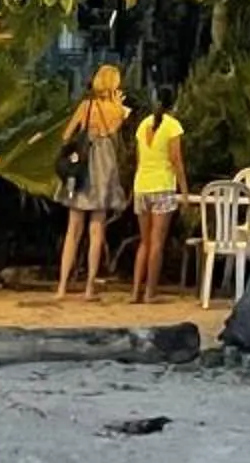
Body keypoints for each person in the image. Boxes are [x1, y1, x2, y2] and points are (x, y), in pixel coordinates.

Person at [55, 64, 129, 300]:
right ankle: (88, 288)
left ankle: (62, 287)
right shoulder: (117, 110)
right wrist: (117, 109)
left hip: (82, 168)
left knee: (72, 230)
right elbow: (115, 132)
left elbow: (66, 135)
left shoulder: (86, 106)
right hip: (104, 168)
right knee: (97, 230)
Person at [129, 87, 188, 305]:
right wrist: (184, 188)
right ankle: (150, 292)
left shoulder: (143, 124)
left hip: (142, 184)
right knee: (156, 243)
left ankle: (135, 291)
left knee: (144, 242)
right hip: (162, 185)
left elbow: (138, 159)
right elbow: (176, 160)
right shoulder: (173, 126)